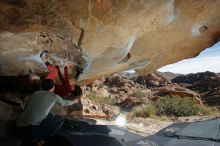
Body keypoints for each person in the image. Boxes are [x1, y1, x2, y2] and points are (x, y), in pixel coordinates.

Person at [15, 79, 80, 142]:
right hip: (31, 128)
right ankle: (37, 138)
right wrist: (73, 102)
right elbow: (64, 103)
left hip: (19, 121)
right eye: (53, 86)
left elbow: (25, 104)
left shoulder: (36, 92)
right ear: (52, 88)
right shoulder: (54, 96)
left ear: (42, 86)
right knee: (55, 118)